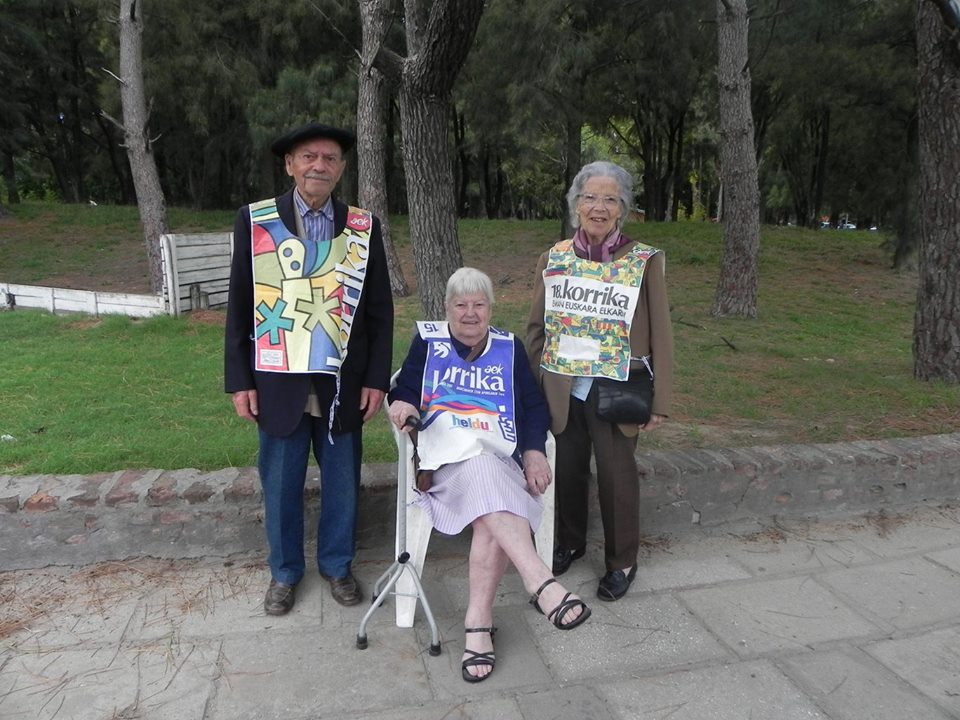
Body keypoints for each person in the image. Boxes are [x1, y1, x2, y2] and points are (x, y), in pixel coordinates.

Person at [387, 267, 591, 683]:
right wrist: (402, 407)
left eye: (479, 304)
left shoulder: (509, 347)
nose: (469, 313)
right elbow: (405, 389)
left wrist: (534, 451)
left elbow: (532, 406)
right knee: (484, 476)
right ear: (446, 309)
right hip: (445, 465)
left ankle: (478, 624)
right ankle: (540, 581)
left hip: (498, 460)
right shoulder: (428, 342)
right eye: (460, 304)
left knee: (489, 504)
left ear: (490, 309)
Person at [224, 122, 394, 614]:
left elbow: (379, 311)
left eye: (330, 159)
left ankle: (338, 565)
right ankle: (284, 573)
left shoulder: (362, 227)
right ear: (290, 164)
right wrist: (239, 380)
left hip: (342, 381)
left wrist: (377, 380)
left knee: (342, 479)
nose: (319, 165)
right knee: (280, 483)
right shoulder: (256, 221)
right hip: (277, 380)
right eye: (309, 157)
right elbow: (239, 305)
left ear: (341, 169)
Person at [525, 160, 674, 602]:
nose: (599, 207)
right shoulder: (553, 259)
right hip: (563, 388)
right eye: (590, 197)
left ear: (622, 209)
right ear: (576, 205)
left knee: (616, 476)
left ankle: (622, 561)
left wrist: (661, 400)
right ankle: (569, 541)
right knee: (566, 471)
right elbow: (536, 329)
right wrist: (537, 384)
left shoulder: (642, 261)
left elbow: (662, 333)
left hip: (617, 390)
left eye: (611, 199)